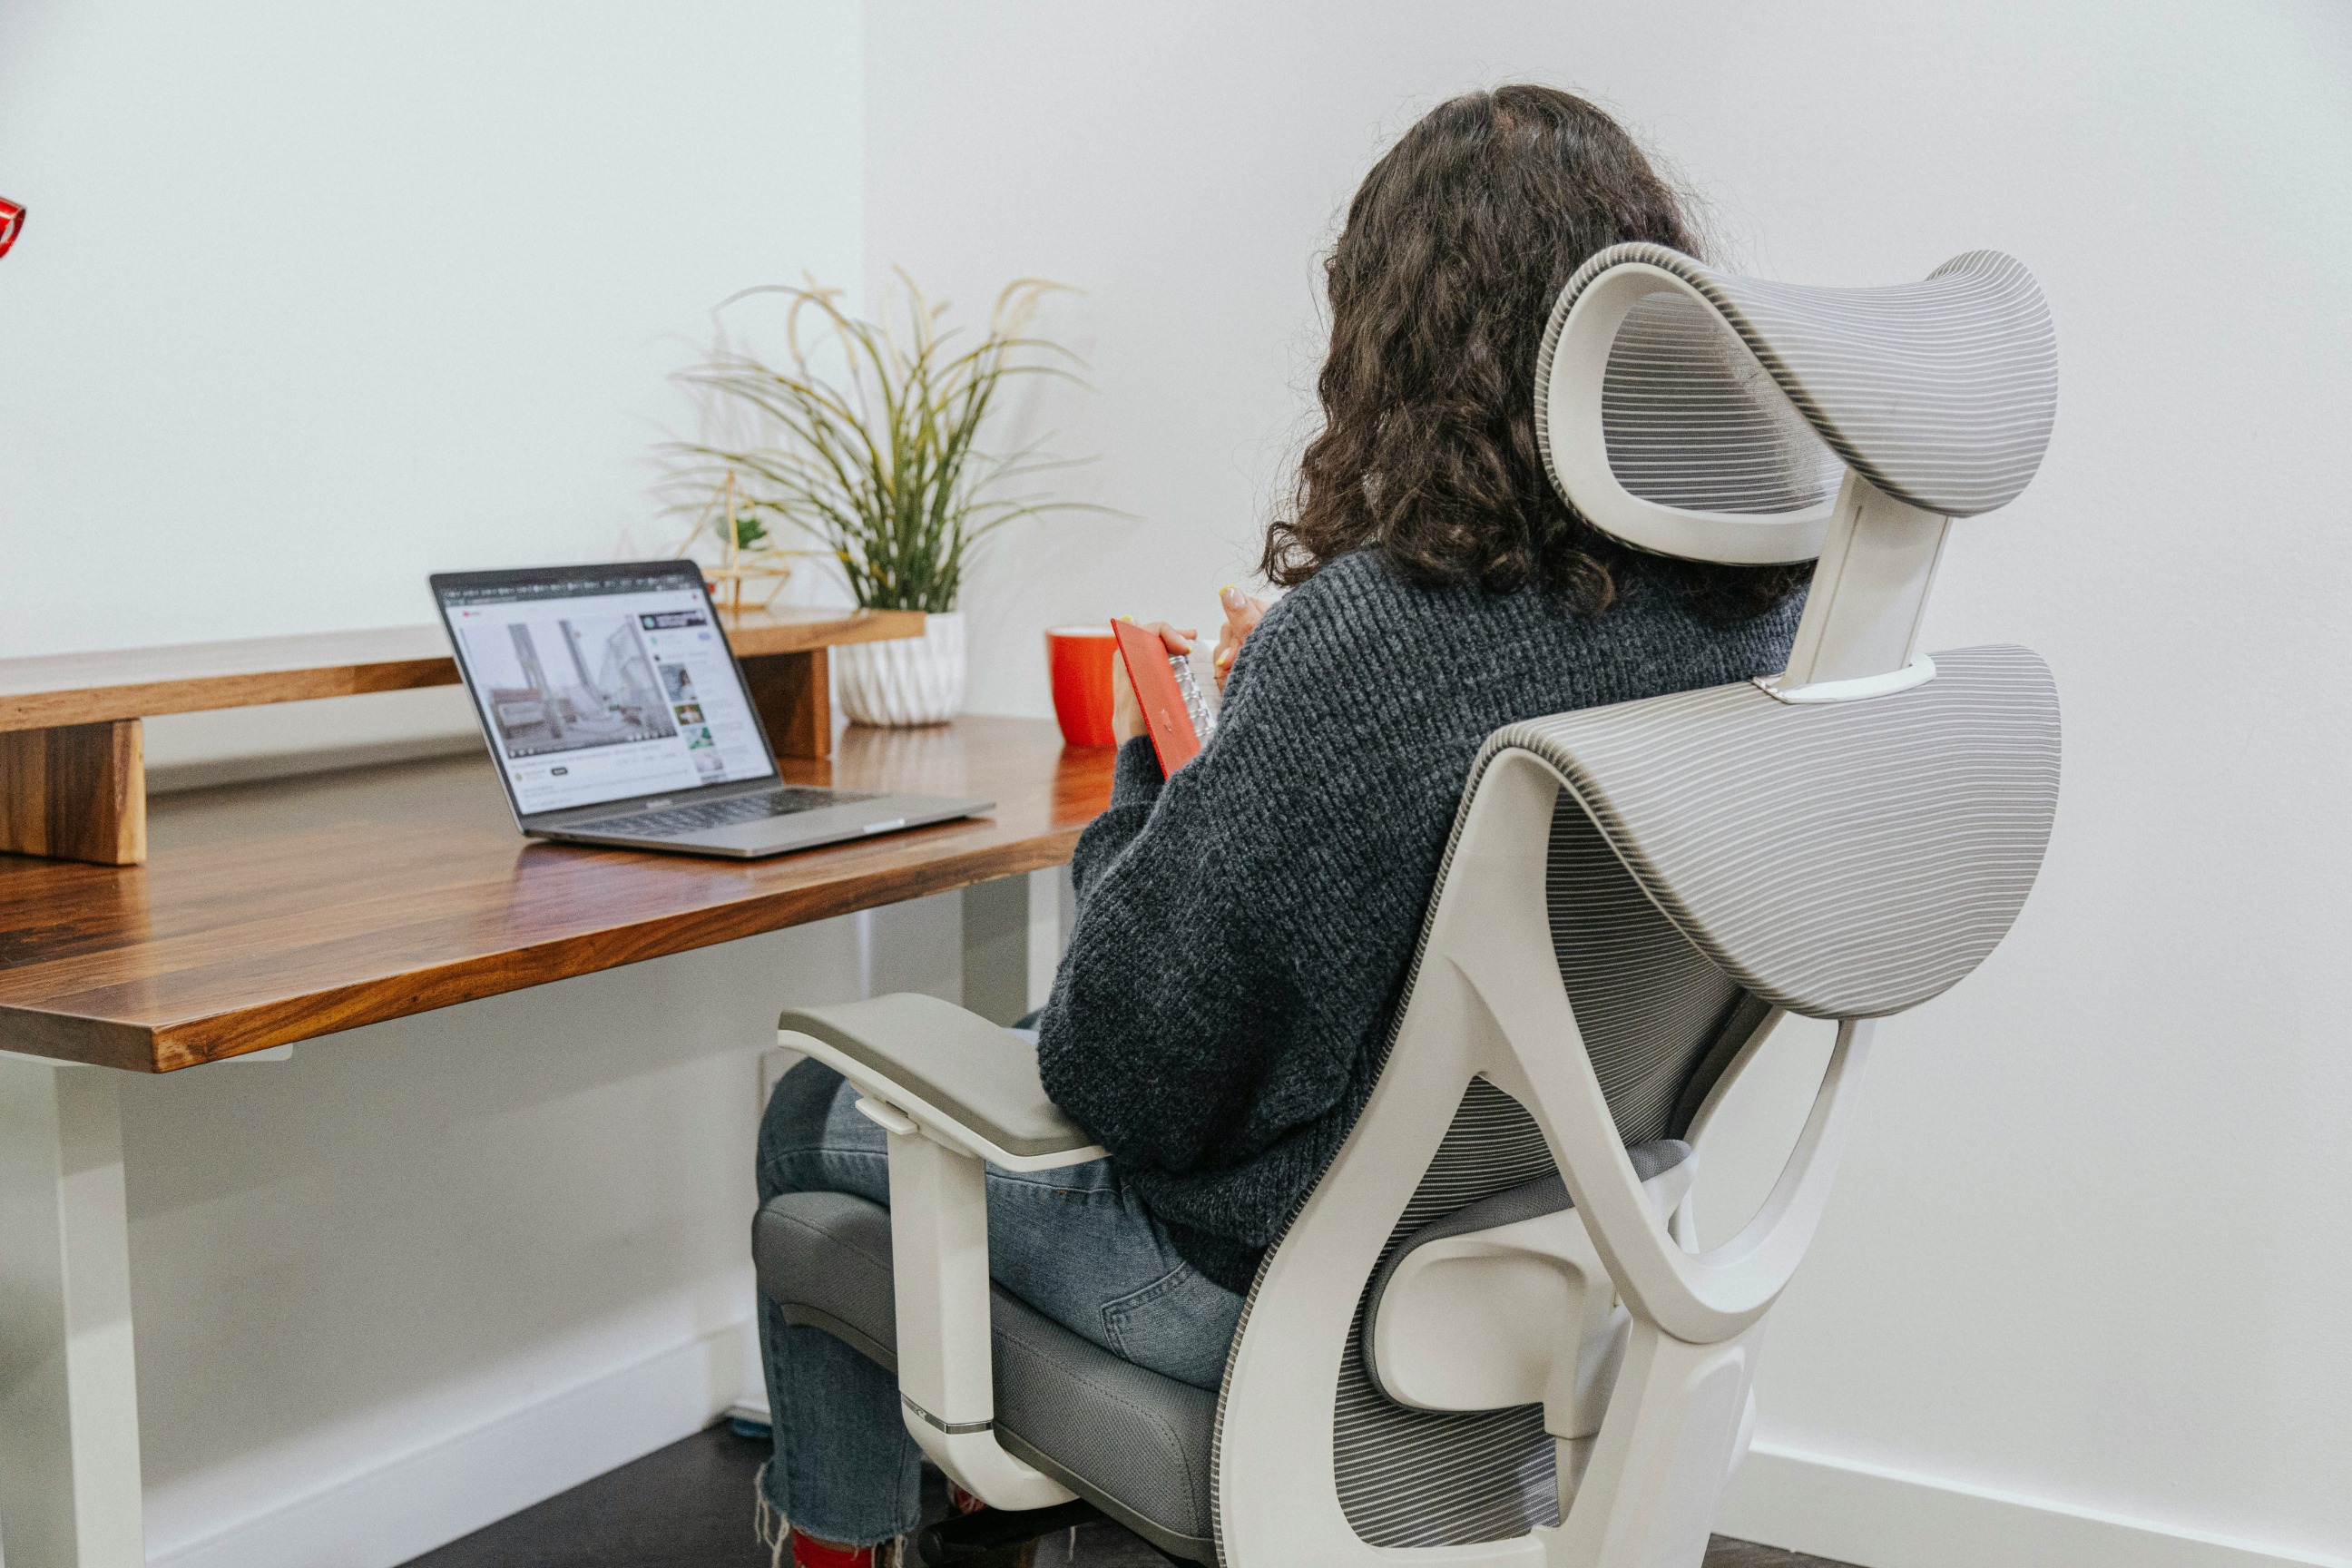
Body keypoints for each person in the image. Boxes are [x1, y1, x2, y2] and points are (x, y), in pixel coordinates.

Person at [753, 83, 1811, 1567]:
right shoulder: (1749, 620)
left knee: (810, 1116)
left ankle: (844, 1541)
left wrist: (1174, 747)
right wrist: (1274, 728)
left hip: (1271, 1299)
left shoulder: (1380, 638)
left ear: (1395, 345)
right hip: (1563, 1263)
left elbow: (1120, 1069)